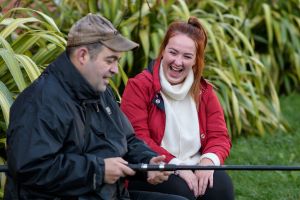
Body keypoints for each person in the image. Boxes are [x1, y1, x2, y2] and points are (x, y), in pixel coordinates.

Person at [4, 13, 189, 200]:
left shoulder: (100, 90)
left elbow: (128, 140)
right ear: (83, 55)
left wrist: (148, 162)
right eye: (110, 60)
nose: (116, 69)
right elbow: (30, 168)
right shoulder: (40, 101)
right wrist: (97, 171)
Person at [121, 16, 234, 200]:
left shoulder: (204, 91)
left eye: (187, 56)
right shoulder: (139, 86)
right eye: (173, 52)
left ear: (196, 61)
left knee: (220, 187)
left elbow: (219, 136)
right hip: (155, 168)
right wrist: (176, 167)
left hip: (196, 163)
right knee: (183, 190)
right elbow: (138, 139)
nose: (178, 62)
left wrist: (207, 162)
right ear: (163, 51)